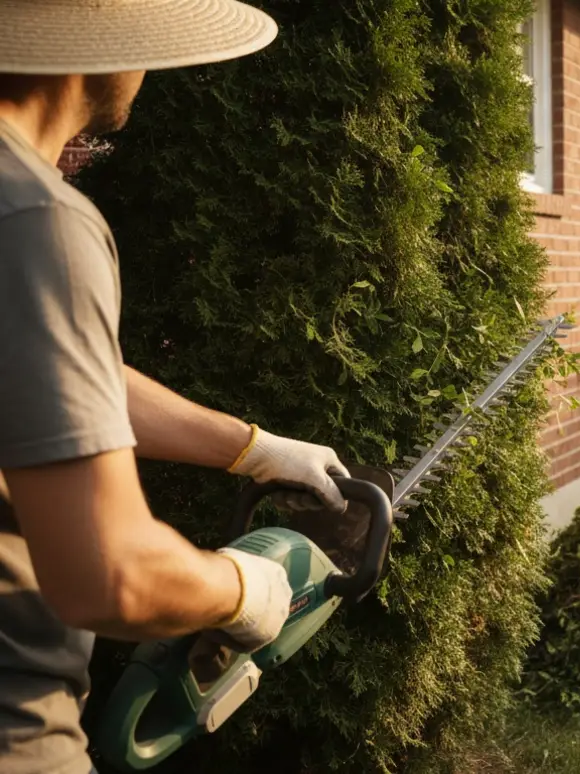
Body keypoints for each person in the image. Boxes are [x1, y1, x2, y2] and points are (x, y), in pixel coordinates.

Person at [0, 3, 347, 773]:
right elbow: (108, 571)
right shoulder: (33, 215)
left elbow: (44, 369)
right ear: (92, 36)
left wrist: (253, 450)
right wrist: (245, 591)